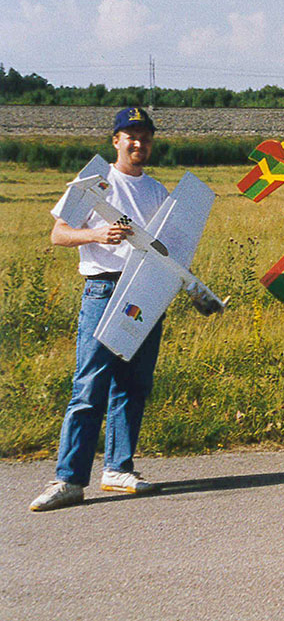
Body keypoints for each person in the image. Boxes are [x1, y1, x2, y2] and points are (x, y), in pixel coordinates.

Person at [31, 107, 170, 511]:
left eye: (144, 136)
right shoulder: (93, 183)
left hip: (146, 291)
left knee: (133, 383)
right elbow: (58, 233)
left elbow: (165, 248)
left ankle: (118, 468)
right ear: (116, 140)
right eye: (130, 135)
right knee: (90, 384)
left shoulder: (158, 192)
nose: (138, 143)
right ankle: (69, 479)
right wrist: (97, 233)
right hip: (104, 289)